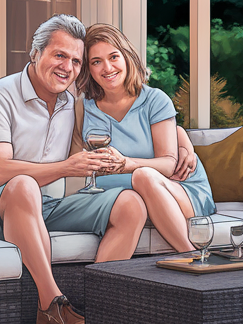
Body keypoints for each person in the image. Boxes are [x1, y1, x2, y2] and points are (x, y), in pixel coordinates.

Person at [0, 15, 148, 324]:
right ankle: (51, 307)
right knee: (24, 184)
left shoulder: (72, 103)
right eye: (59, 55)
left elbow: (114, 142)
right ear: (35, 54)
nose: (67, 67)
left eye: (76, 60)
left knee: (130, 204)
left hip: (42, 206)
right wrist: (67, 167)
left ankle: (100, 310)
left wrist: (181, 144)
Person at [76, 24, 215, 254]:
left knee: (143, 175)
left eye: (113, 57)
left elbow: (170, 165)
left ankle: (190, 254)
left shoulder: (154, 100)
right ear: (88, 69)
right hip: (123, 194)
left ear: (127, 57)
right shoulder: (85, 108)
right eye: (96, 61)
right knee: (131, 198)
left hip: (180, 188)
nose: (107, 67)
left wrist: (127, 164)